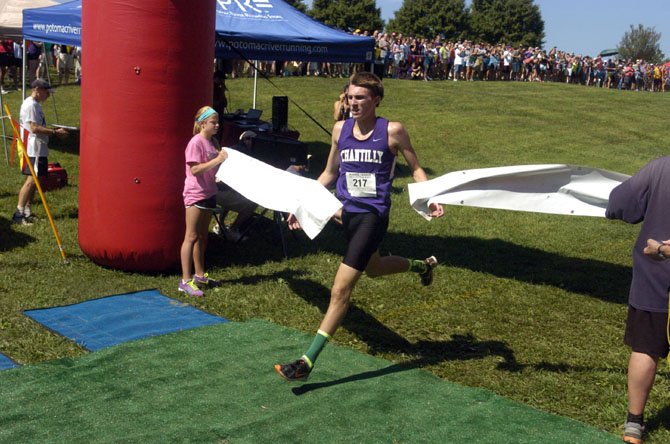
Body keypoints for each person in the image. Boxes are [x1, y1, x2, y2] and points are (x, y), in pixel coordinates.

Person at [275, 72, 444, 381]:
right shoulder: (340, 130)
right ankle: (423, 266)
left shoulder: (393, 131)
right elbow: (328, 173)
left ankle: (306, 361)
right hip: (347, 214)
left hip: (373, 216)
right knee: (375, 268)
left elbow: (417, 168)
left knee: (340, 289)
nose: (353, 103)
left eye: (360, 98)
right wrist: (300, 204)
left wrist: (430, 198)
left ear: (376, 100)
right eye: (350, 97)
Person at [605, 156, 670, 444]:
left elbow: (622, 203)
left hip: (655, 274)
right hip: (655, 272)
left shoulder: (661, 167)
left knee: (645, 347)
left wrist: (663, 249)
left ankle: (634, 422)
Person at [179, 106, 228, 297]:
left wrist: (220, 175)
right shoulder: (195, 142)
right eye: (213, 122)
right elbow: (195, 170)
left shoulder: (213, 142)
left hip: (209, 192)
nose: (216, 125)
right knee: (191, 236)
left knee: (202, 236)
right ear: (202, 124)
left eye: (217, 122)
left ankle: (199, 275)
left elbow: (210, 170)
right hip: (195, 194)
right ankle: (185, 280)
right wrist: (218, 161)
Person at [12, 79, 68, 225]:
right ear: (37, 89)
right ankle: (18, 213)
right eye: (46, 92)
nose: (48, 96)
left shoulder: (36, 105)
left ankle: (27, 211)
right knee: (31, 181)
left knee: (37, 181)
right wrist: (55, 132)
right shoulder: (31, 105)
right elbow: (34, 128)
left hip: (39, 147)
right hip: (34, 148)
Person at [214, 130, 258, 242]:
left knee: (234, 193)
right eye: (248, 139)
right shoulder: (244, 154)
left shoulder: (233, 149)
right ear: (242, 140)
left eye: (254, 139)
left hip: (215, 188)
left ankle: (219, 224)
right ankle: (233, 230)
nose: (251, 141)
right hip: (216, 191)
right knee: (252, 203)